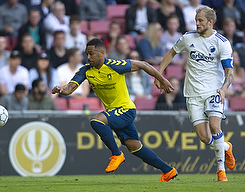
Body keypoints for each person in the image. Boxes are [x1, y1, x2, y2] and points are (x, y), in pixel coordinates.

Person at [52, 38, 178, 182]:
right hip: (115, 113)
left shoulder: (115, 65)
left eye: (91, 54)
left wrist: (162, 79)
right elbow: (69, 89)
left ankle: (117, 155)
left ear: (102, 52)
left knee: (96, 121)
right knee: (135, 147)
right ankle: (168, 171)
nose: (88, 57)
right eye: (87, 54)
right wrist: (61, 89)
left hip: (126, 109)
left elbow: (143, 64)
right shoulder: (86, 71)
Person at [154, 6, 235, 181]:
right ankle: (226, 147)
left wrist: (223, 89)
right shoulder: (188, 38)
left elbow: (229, 71)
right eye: (196, 20)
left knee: (214, 127)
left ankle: (221, 172)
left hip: (214, 91)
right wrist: (159, 74)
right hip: (192, 93)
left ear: (210, 22)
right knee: (204, 137)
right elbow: (171, 53)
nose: (196, 23)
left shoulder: (222, 42)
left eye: (200, 21)